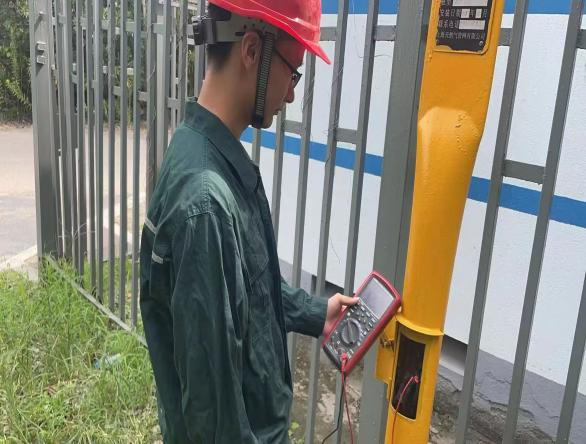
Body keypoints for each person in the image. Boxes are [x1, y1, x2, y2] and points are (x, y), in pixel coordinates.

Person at [139, 0, 358, 442]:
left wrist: (317, 313)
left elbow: (244, 288)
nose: (291, 94)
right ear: (252, 50)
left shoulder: (203, 154)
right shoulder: (206, 203)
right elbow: (214, 421)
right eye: (293, 73)